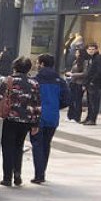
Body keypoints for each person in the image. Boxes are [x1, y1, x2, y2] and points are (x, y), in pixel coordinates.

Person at [0, 56, 42, 187]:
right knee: (18, 146)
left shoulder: (8, 80)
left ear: (15, 67)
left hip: (10, 118)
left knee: (7, 147)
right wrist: (36, 123)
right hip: (26, 120)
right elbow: (37, 103)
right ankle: (18, 174)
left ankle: (7, 177)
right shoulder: (34, 83)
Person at [31, 53, 69, 184]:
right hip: (53, 116)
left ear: (41, 64)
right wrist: (55, 106)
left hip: (38, 115)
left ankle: (39, 174)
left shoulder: (36, 80)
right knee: (46, 144)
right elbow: (66, 100)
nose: (36, 65)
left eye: (37, 63)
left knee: (37, 144)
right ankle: (42, 172)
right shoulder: (60, 81)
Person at [80, 43, 101, 125]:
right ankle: (88, 117)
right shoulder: (91, 58)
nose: (91, 51)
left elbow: (99, 72)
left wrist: (92, 81)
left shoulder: (98, 58)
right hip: (89, 84)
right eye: (89, 49)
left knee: (94, 103)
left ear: (96, 49)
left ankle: (92, 119)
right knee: (89, 102)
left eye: (93, 49)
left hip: (95, 84)